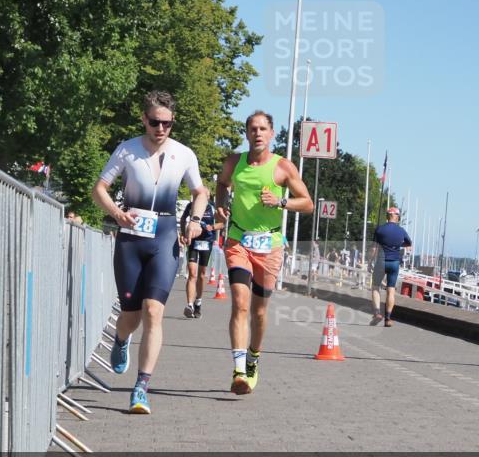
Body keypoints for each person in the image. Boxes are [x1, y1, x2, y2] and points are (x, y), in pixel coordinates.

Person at [91, 91, 209, 414]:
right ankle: (120, 338)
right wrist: (117, 213)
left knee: (153, 311)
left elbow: (201, 191)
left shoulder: (184, 154)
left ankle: (141, 387)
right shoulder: (127, 150)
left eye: (167, 124)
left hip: (165, 237)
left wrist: (195, 220)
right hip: (130, 238)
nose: (160, 129)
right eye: (155, 122)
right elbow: (99, 189)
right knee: (130, 316)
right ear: (144, 119)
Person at [215, 110, 313, 395]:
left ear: (271, 134)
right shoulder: (235, 162)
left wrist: (281, 201)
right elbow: (222, 184)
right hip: (238, 240)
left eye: (263, 129)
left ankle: (254, 357)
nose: (257, 133)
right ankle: (238, 370)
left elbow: (307, 203)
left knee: (258, 312)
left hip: (269, 246)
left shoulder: (283, 167)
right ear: (246, 133)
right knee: (240, 303)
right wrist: (221, 205)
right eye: (252, 128)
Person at [178, 198, 224, 318]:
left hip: (206, 242)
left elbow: (222, 223)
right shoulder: (191, 206)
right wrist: (183, 234)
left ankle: (198, 302)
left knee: (202, 275)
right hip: (193, 241)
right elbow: (183, 219)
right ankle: (189, 305)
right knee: (192, 273)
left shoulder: (212, 207)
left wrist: (212, 227)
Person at [370, 207, 412, 327]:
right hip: (394, 263)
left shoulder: (380, 230)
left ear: (387, 216)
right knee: (391, 290)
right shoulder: (401, 231)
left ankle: (377, 312)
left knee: (375, 287)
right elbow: (409, 243)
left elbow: (374, 249)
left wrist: (370, 262)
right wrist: (399, 244)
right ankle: (388, 319)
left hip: (381, 262)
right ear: (397, 217)